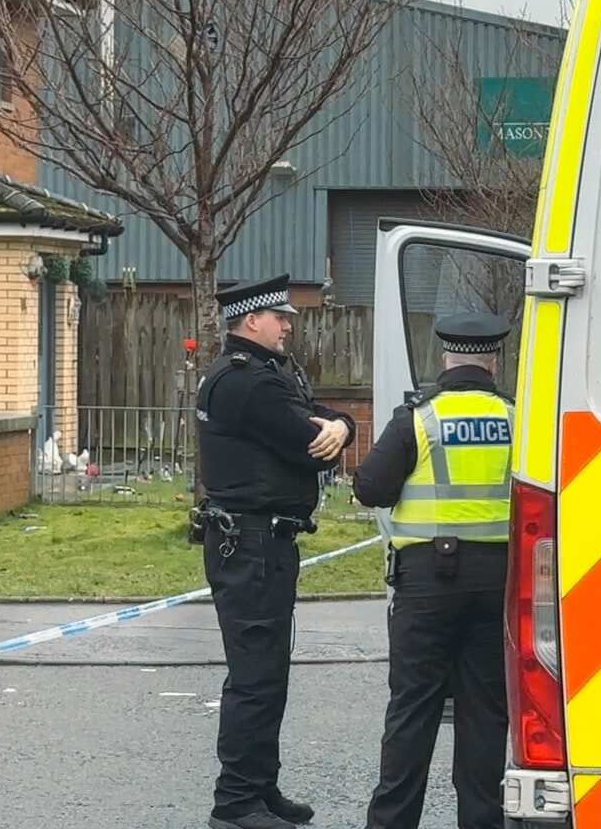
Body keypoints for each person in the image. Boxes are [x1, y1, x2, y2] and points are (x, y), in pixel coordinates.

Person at [194, 273, 357, 829]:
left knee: (267, 673)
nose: (288, 325)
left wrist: (343, 423)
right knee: (256, 677)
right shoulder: (249, 383)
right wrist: (336, 430)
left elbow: (325, 419)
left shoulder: (265, 374)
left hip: (259, 541)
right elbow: (310, 446)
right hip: (252, 543)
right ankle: (235, 802)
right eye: (279, 317)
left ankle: (259, 790)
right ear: (250, 321)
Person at [355, 312, 515, 829]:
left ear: (445, 357)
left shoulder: (417, 419)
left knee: (412, 713)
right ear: (494, 359)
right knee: (485, 715)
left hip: (427, 583)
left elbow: (370, 488)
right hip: (498, 583)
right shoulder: (519, 418)